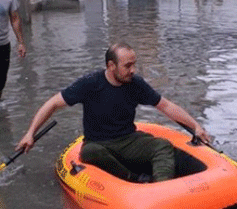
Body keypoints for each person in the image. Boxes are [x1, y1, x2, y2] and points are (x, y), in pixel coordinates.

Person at [16, 42, 211, 183]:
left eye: (134, 64)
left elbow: (166, 106)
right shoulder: (90, 84)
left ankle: (162, 187)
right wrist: (30, 133)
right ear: (111, 66)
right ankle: (134, 179)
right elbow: (52, 104)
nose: (133, 70)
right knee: (91, 152)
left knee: (162, 146)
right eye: (127, 66)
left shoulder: (136, 84)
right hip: (99, 143)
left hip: (128, 139)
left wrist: (195, 126)